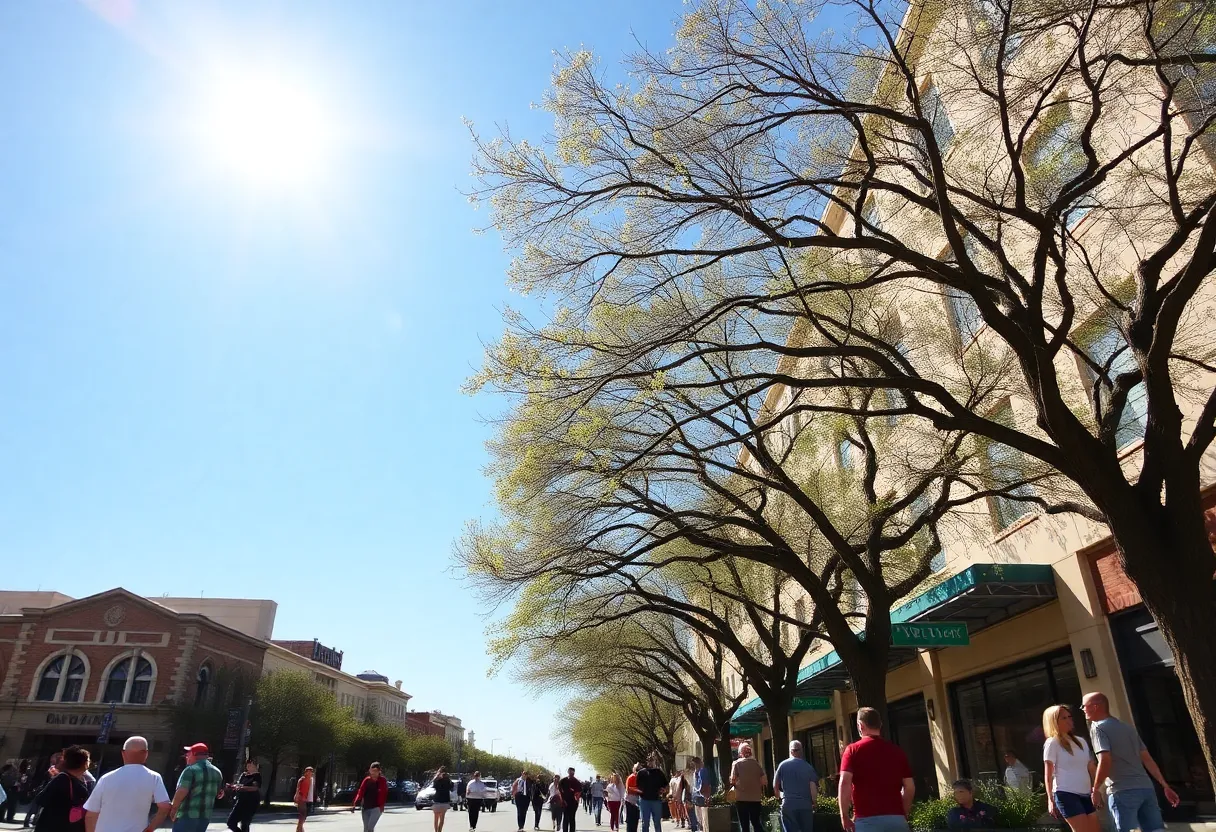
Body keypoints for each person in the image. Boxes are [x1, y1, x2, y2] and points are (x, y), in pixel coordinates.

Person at [1081, 692, 1179, 832]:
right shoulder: (1127, 728)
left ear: (1095, 707)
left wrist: (1096, 789)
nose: (1083, 709)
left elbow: (1105, 760)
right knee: (1156, 829)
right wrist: (1164, 785)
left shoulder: (1098, 728)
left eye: (1084, 706)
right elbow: (1147, 758)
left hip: (1122, 791)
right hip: (1146, 788)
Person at [838, 707, 915, 832]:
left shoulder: (852, 750)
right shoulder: (897, 752)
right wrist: (902, 814)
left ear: (860, 726)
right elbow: (910, 787)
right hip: (896, 820)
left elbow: (845, 783)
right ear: (880, 725)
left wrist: (844, 816)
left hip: (866, 820)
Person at [83, 737, 171, 832]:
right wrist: (150, 828)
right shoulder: (154, 777)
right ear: (146, 754)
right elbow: (165, 807)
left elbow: (91, 813)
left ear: (123, 753)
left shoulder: (106, 778)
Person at [1041, 706, 1097, 832]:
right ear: (1054, 722)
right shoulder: (1052, 743)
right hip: (1066, 794)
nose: (1069, 720)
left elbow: (1090, 766)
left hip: (1086, 793)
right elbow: (1048, 774)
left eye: (1069, 717)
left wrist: (1096, 789)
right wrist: (1050, 800)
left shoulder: (1081, 742)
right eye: (1064, 718)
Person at [33, 747, 91, 832]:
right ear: (83, 763)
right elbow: (41, 799)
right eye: (88, 760)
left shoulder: (80, 780)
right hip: (55, 826)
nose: (90, 762)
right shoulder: (62, 778)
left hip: (67, 825)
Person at [170, 744, 224, 832]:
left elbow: (182, 791)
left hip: (186, 816)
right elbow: (218, 794)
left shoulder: (190, 770)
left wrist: (173, 809)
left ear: (194, 754)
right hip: (205, 817)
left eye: (188, 753)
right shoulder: (217, 772)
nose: (186, 756)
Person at [775, 740, 820, 832]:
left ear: (790, 751)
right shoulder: (808, 767)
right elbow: (813, 788)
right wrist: (814, 802)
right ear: (801, 751)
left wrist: (780, 796)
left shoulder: (782, 765)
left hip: (788, 805)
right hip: (805, 806)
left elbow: (775, 785)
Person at [729, 744, 766, 832]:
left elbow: (732, 780)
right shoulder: (757, 764)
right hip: (756, 799)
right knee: (756, 823)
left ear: (740, 753)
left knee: (744, 825)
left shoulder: (736, 764)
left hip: (742, 799)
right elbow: (764, 781)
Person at [225, 760, 261, 832]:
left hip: (251, 801)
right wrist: (233, 786)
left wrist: (243, 788)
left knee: (245, 823)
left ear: (256, 766)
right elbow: (239, 784)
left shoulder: (257, 776)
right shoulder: (244, 775)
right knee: (231, 822)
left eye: (251, 765)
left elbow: (255, 788)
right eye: (248, 765)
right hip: (241, 800)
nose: (248, 767)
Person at [351, 763, 388, 832]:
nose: (373, 773)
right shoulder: (367, 780)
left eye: (375, 771)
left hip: (376, 808)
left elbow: (384, 793)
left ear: (379, 771)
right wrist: (355, 803)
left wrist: (381, 806)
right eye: (371, 770)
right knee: (366, 829)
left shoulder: (382, 780)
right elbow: (361, 792)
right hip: (365, 808)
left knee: (370, 828)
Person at [637, 754, 668, 832]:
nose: (651, 762)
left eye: (652, 760)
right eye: (649, 761)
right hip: (644, 800)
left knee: (657, 822)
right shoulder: (641, 773)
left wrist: (663, 790)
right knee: (645, 823)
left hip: (656, 800)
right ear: (647, 762)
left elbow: (665, 784)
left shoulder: (659, 772)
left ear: (655, 761)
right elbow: (637, 786)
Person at [290, 767, 314, 832]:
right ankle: (299, 829)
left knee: (304, 815)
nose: (310, 773)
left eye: (311, 772)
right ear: (305, 772)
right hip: (301, 798)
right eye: (308, 772)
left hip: (305, 799)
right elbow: (298, 788)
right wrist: (296, 796)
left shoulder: (310, 779)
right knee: (303, 815)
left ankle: (300, 829)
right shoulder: (302, 779)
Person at [432, 767, 454, 832]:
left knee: (436, 818)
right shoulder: (447, 780)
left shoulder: (436, 780)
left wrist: (437, 776)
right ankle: (439, 831)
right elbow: (451, 787)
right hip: (444, 800)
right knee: (442, 818)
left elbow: (434, 785)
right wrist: (448, 778)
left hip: (437, 800)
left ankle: (436, 831)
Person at [624, 764, 641, 832]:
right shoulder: (632, 777)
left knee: (635, 818)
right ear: (634, 769)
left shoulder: (639, 777)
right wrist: (639, 790)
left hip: (636, 799)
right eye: (637, 769)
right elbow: (628, 789)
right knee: (631, 819)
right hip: (630, 800)